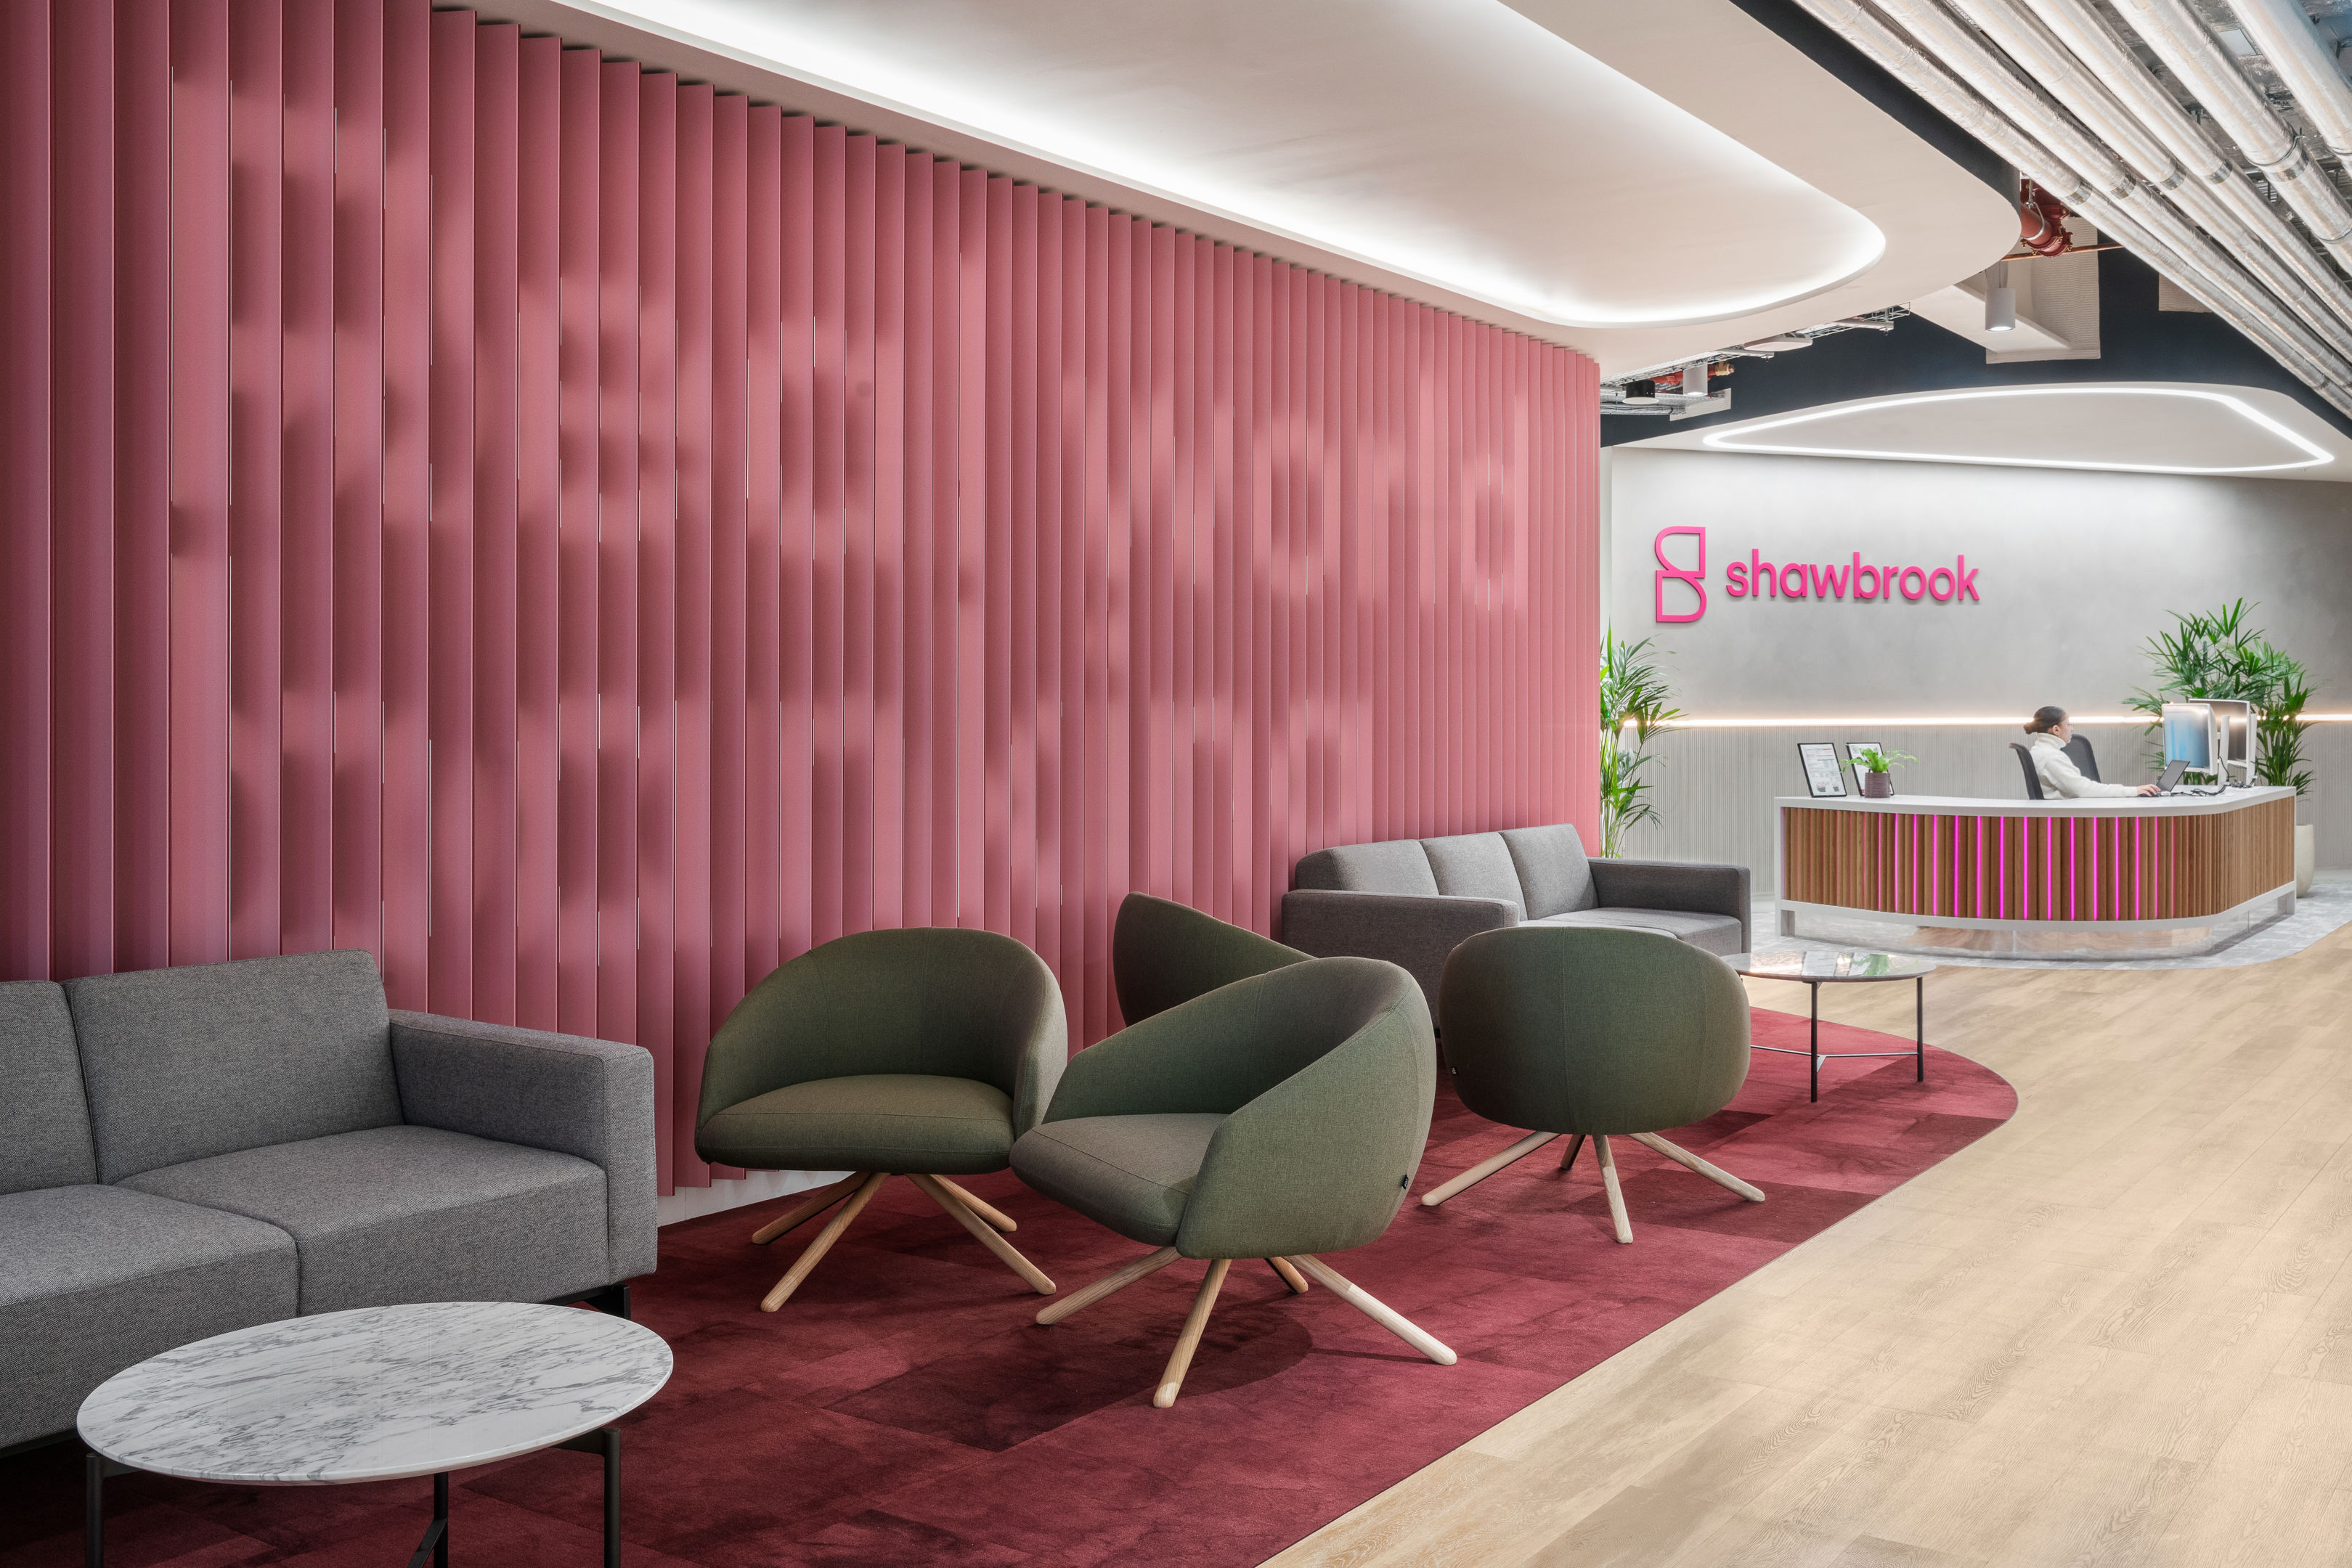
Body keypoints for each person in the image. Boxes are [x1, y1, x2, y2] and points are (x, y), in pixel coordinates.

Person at [2023, 707, 2160, 797]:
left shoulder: (2041, 750)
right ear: (2056, 730)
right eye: (2068, 724)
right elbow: (2083, 790)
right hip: (2068, 821)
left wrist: (2116, 790)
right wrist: (2131, 791)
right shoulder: (2050, 757)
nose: (2072, 729)